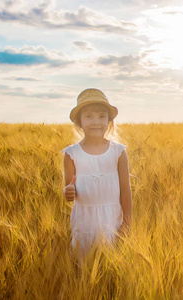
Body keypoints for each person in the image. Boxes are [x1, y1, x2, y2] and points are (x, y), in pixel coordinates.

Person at [61, 88, 132, 260]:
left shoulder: (118, 152)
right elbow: (68, 190)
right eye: (89, 116)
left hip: (111, 219)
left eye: (102, 116)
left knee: (111, 262)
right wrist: (68, 192)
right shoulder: (71, 154)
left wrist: (128, 221)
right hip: (84, 221)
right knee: (84, 264)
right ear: (79, 122)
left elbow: (125, 188)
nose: (96, 122)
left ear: (109, 121)